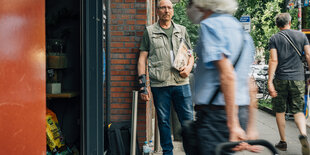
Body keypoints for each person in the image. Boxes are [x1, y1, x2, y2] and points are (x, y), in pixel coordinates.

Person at [186, 0, 259, 154]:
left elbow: (227, 75)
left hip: (216, 115)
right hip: (240, 111)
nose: (189, 7)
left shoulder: (210, 26)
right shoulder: (241, 32)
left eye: (191, 2)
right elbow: (249, 83)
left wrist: (233, 125)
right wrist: (250, 127)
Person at [137, 0, 194, 154]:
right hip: (159, 84)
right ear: (157, 11)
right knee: (163, 121)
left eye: (169, 8)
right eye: (163, 7)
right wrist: (143, 86)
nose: (166, 10)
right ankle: (167, 152)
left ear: (173, 11)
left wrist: (188, 69)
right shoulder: (149, 32)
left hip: (181, 82)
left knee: (188, 121)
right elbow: (142, 58)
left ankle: (191, 151)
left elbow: (190, 55)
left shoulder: (182, 30)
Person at [268, 13, 310, 154]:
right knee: (298, 110)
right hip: (298, 78)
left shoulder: (274, 38)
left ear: (277, 25)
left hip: (280, 78)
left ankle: (283, 142)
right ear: (290, 23)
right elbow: (308, 55)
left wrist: (269, 81)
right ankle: (303, 134)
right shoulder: (302, 36)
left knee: (280, 111)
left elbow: (274, 60)